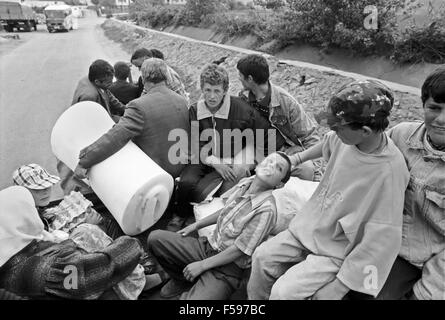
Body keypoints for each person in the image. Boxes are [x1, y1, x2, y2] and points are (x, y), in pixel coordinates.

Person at [247, 80, 410, 300]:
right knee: (261, 257)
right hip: (310, 228)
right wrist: (294, 158)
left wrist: (339, 287)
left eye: (336, 126)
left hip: (336, 249)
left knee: (283, 292)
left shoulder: (389, 172)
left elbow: (381, 241)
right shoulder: (347, 138)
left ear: (365, 131)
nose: (331, 130)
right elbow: (328, 142)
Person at [148, 152, 292, 300]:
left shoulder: (266, 210)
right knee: (155, 239)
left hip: (228, 268)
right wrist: (195, 226)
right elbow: (226, 210)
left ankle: (204, 280)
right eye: (269, 160)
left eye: (278, 168)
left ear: (279, 184)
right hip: (208, 247)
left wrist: (202, 265)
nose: (270, 165)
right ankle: (181, 280)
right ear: (260, 163)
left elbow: (239, 250)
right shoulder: (246, 182)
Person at [0, 186, 143, 299]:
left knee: (85, 231)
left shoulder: (11, 256)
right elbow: (90, 275)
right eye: (31, 209)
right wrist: (131, 244)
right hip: (98, 292)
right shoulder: (43, 269)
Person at [174, 64, 271, 230]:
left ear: (225, 90)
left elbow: (265, 135)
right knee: (186, 183)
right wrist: (215, 162)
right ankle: (179, 216)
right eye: (207, 90)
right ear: (201, 88)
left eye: (217, 91)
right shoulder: (195, 110)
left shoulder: (241, 108)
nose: (212, 96)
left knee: (226, 182)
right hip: (205, 157)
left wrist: (250, 159)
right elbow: (196, 142)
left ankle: (214, 216)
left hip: (232, 156)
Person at [375, 68, 445, 300]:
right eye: (434, 108)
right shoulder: (401, 136)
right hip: (386, 245)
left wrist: (426, 292)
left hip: (428, 262)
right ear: (423, 104)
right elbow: (361, 154)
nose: (441, 119)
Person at [74, 58, 190, 181]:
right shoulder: (181, 100)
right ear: (166, 76)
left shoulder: (139, 106)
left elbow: (115, 137)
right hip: (183, 169)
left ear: (143, 79)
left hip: (156, 175)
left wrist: (84, 161)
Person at [236, 54, 320, 181]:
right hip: (256, 148)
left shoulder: (287, 102)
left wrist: (317, 174)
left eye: (240, 75)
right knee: (238, 169)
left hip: (285, 150)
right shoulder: (243, 97)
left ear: (250, 79)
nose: (238, 78)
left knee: (307, 170)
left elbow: (310, 137)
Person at [61, 60, 126, 195]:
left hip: (101, 117)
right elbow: (89, 125)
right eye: (108, 83)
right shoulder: (89, 96)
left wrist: (127, 110)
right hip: (89, 128)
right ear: (97, 82)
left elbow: (110, 96)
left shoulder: (90, 80)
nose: (111, 84)